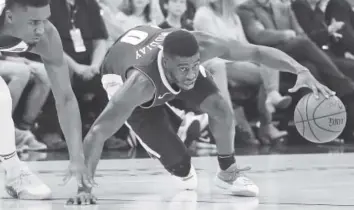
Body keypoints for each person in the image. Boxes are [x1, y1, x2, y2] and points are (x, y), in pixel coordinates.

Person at [67, 25, 333, 205]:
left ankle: (227, 172)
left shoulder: (201, 48)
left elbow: (256, 52)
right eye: (185, 68)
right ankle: (155, 132)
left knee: (220, 108)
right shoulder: (138, 85)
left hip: (150, 39)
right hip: (117, 69)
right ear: (167, 61)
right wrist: (84, 189)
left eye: (196, 65)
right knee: (185, 177)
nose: (192, 73)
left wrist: (299, 69)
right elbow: (98, 132)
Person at [0, 0, 92, 199]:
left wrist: (77, 157)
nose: (41, 29)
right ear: (10, 16)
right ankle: (13, 168)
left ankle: (13, 175)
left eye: (44, 19)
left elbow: (66, 98)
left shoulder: (47, 36)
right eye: (33, 22)